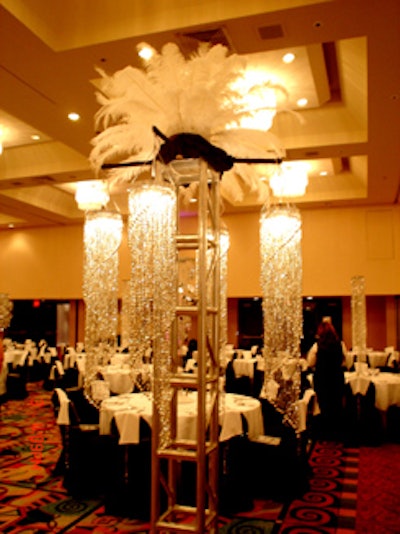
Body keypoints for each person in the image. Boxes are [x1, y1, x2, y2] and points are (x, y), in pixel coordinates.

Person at [308, 317, 345, 438]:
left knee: (324, 403)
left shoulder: (316, 346)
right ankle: (336, 430)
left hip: (322, 378)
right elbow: (345, 362)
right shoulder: (341, 344)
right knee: (336, 403)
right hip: (336, 377)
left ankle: (325, 431)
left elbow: (310, 362)